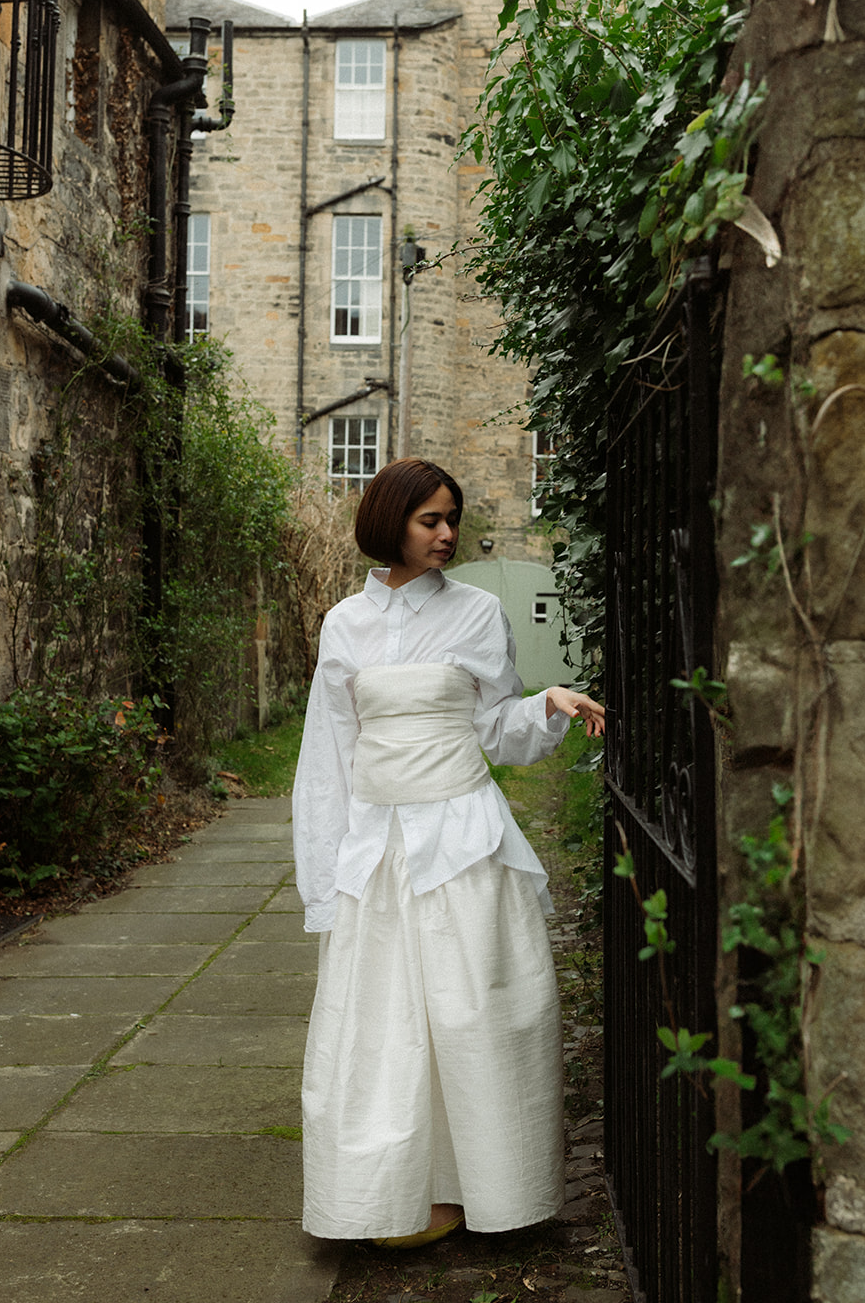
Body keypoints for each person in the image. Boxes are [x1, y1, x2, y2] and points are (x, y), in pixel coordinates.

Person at [292, 457, 605, 1249]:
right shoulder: (343, 624)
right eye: (429, 519)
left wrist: (547, 703)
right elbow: (327, 758)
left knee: (476, 1014)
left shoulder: (473, 614)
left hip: (463, 837)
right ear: (390, 520)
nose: (446, 533)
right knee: (382, 1023)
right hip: (377, 845)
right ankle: (385, 1193)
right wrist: (324, 880)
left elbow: (494, 728)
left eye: (451, 519)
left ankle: (485, 1188)